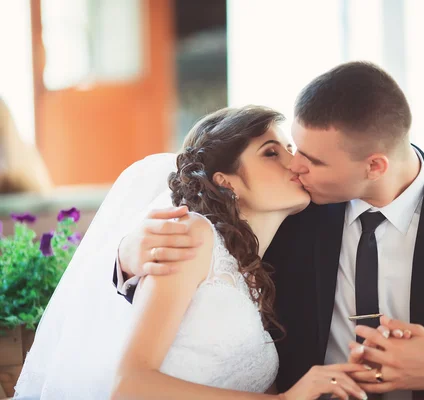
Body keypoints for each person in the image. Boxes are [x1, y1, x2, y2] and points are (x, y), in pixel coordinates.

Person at [115, 62, 424, 398]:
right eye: (294, 147)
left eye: (312, 160)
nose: (296, 165)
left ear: (375, 165)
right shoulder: (293, 207)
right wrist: (126, 258)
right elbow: (208, 252)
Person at [15, 106, 370, 400]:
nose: (294, 163)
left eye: (290, 149)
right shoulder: (193, 235)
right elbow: (129, 386)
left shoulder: (253, 274)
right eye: (271, 152)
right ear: (226, 182)